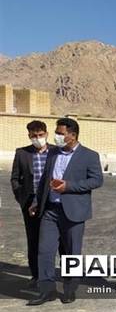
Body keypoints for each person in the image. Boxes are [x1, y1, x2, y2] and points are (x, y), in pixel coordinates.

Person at [27, 117, 103, 306]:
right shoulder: (53, 153)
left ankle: (70, 289)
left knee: (71, 253)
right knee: (45, 251)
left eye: (60, 133)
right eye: (56, 133)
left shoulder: (89, 156)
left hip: (74, 212)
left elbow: (96, 180)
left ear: (73, 135)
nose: (56, 136)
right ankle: (47, 291)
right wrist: (37, 201)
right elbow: (45, 179)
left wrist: (69, 186)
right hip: (50, 210)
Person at [10, 120, 56, 287]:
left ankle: (51, 275)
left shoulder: (56, 152)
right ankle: (36, 275)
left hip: (51, 201)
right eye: (34, 135)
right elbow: (15, 178)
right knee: (34, 239)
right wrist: (22, 198)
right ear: (29, 135)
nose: (37, 138)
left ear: (46, 134)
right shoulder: (22, 153)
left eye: (40, 135)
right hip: (30, 203)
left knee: (52, 241)